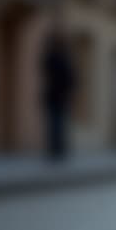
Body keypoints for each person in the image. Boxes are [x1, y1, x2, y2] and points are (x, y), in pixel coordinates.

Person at [40, 30, 76, 162]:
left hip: (59, 96)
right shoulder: (56, 59)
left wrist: (68, 91)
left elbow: (71, 78)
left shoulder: (63, 60)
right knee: (55, 124)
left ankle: (58, 150)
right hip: (55, 96)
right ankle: (56, 150)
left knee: (58, 124)